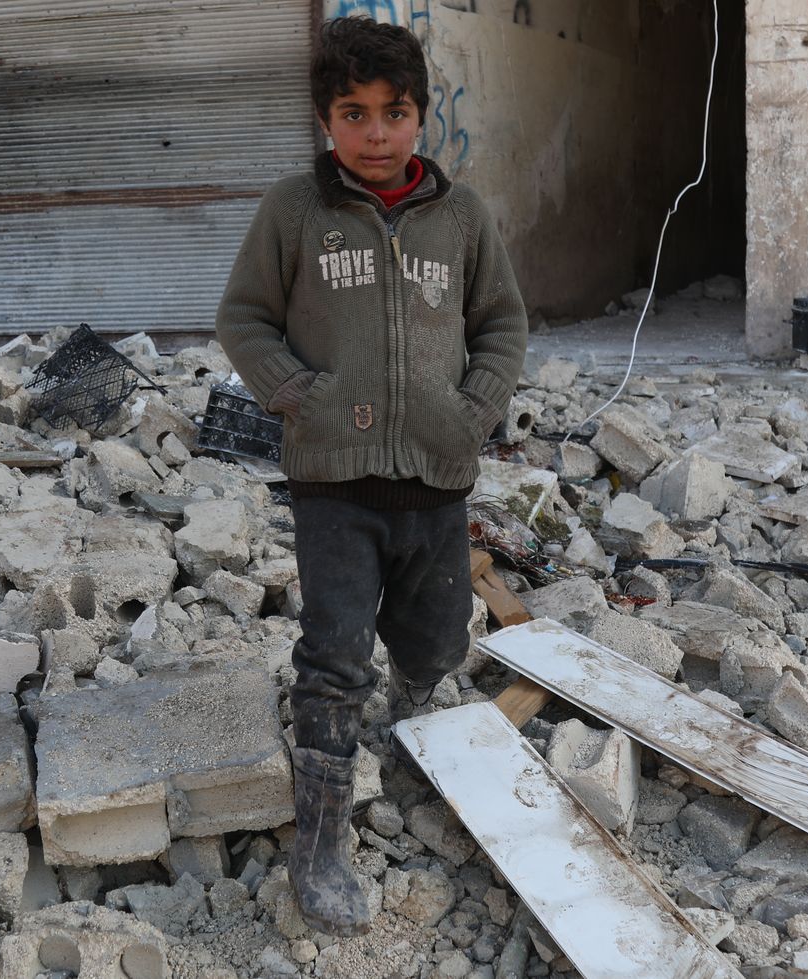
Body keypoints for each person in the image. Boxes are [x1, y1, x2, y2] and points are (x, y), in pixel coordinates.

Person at [213, 15, 527, 937]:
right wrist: (296, 395)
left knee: (434, 641)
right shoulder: (295, 211)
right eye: (354, 113)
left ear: (422, 116)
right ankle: (321, 839)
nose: (376, 133)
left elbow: (502, 327)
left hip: (436, 476)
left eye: (394, 112)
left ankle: (411, 714)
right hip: (334, 481)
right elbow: (244, 317)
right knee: (335, 653)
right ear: (325, 120)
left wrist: (471, 412)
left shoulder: (462, 218)